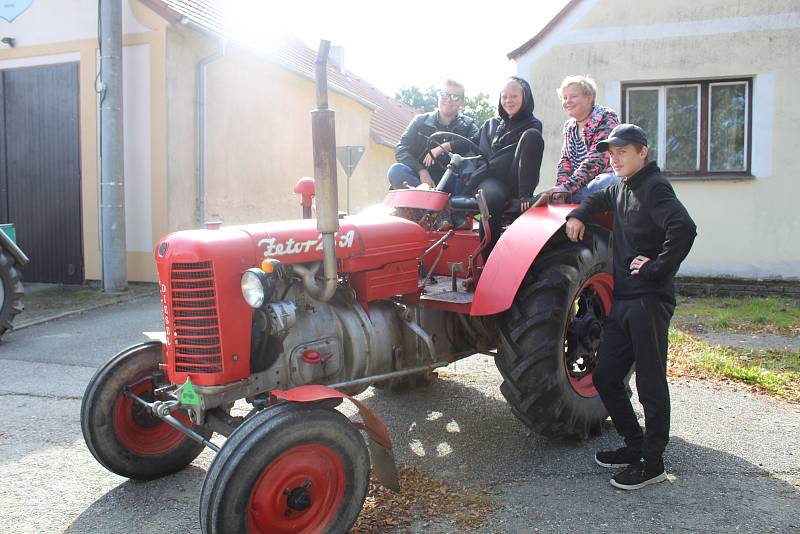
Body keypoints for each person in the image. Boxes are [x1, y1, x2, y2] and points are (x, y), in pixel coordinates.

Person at [565, 123, 697, 490]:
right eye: (611, 152)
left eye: (623, 151)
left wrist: (655, 268)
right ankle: (634, 444)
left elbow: (684, 229)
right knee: (606, 376)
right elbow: (596, 201)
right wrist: (576, 215)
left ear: (643, 152)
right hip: (624, 300)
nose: (615, 158)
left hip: (649, 300)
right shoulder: (622, 187)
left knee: (650, 382)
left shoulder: (654, 187)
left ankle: (652, 463)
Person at [464, 76, 544, 256]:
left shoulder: (532, 124)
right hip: (491, 180)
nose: (508, 101)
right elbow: (470, 148)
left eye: (514, 96)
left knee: (532, 136)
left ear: (525, 97)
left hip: (514, 178)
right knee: (489, 196)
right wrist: (449, 149)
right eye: (504, 96)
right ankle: (484, 257)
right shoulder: (489, 124)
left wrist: (479, 173)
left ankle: (489, 260)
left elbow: (506, 157)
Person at [539, 75, 620, 205]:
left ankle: (565, 200)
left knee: (608, 181)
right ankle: (555, 200)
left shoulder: (606, 117)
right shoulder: (569, 127)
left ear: (589, 97)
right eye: (564, 98)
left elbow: (597, 160)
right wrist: (560, 188)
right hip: (576, 185)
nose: (567, 101)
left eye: (573, 96)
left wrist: (565, 189)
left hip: (601, 179)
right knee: (562, 192)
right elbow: (565, 162)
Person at [388, 79, 479, 193]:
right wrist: (421, 170)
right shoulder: (420, 121)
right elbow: (401, 149)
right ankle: (429, 202)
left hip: (454, 182)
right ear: (439, 96)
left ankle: (450, 207)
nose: (448, 100)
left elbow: (477, 143)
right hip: (421, 181)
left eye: (455, 97)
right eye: (444, 94)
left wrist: (446, 146)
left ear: (462, 102)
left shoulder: (468, 125)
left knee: (470, 168)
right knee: (396, 171)